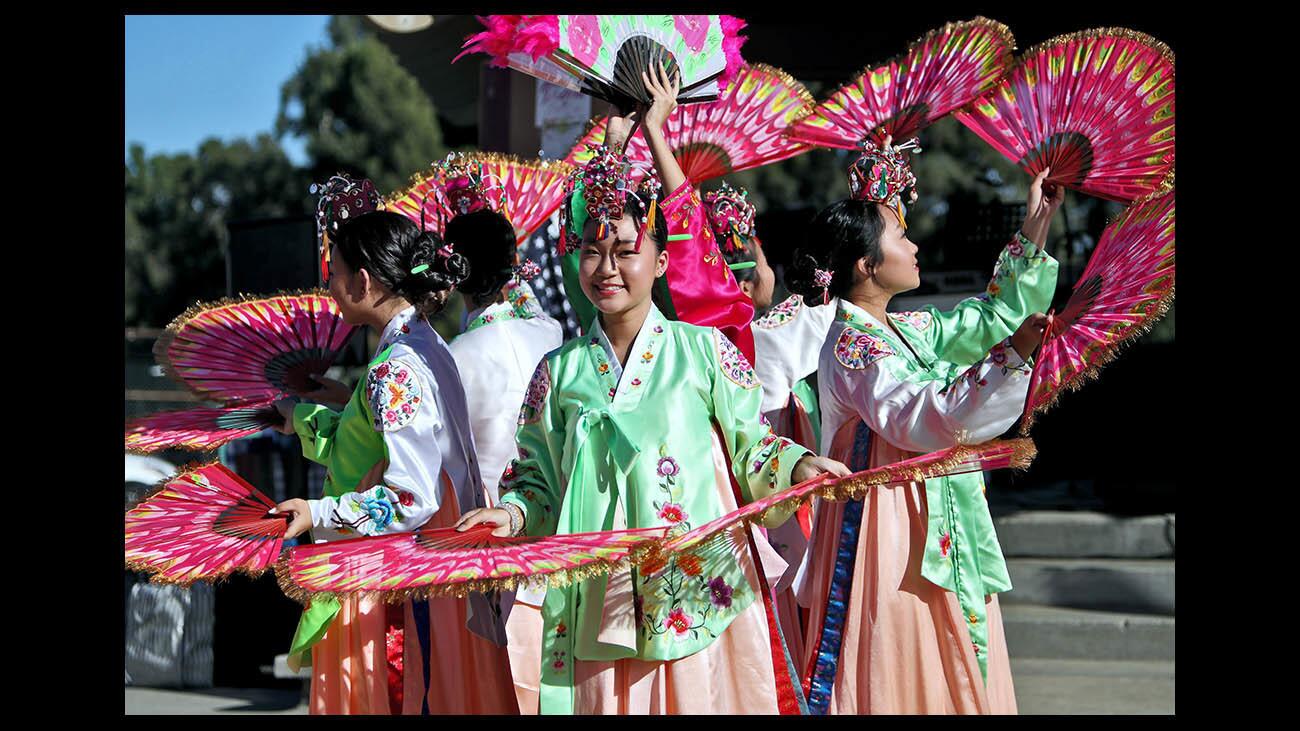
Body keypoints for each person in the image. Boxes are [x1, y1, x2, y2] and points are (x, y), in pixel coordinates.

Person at [456, 64, 849, 715]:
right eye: (591, 249)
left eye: (625, 250)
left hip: (692, 592)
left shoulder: (703, 352)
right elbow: (537, 479)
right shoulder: (559, 372)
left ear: (661, 261)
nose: (606, 266)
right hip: (595, 601)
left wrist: (799, 462)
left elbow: (751, 447)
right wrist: (513, 512)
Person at [789, 138, 1062, 714]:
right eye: (900, 236)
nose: (914, 246)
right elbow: (926, 415)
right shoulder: (854, 345)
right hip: (886, 537)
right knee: (904, 670)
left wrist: (1037, 222)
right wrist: (1008, 357)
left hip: (937, 522)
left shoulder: (904, 329)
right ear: (866, 264)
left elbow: (988, 318)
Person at [270, 181, 517, 714]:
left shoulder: (396, 367)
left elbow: (410, 498)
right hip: (437, 564)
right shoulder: (422, 344)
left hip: (411, 576)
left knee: (411, 697)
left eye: (333, 272)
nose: (329, 285)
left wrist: (318, 512)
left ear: (362, 281)